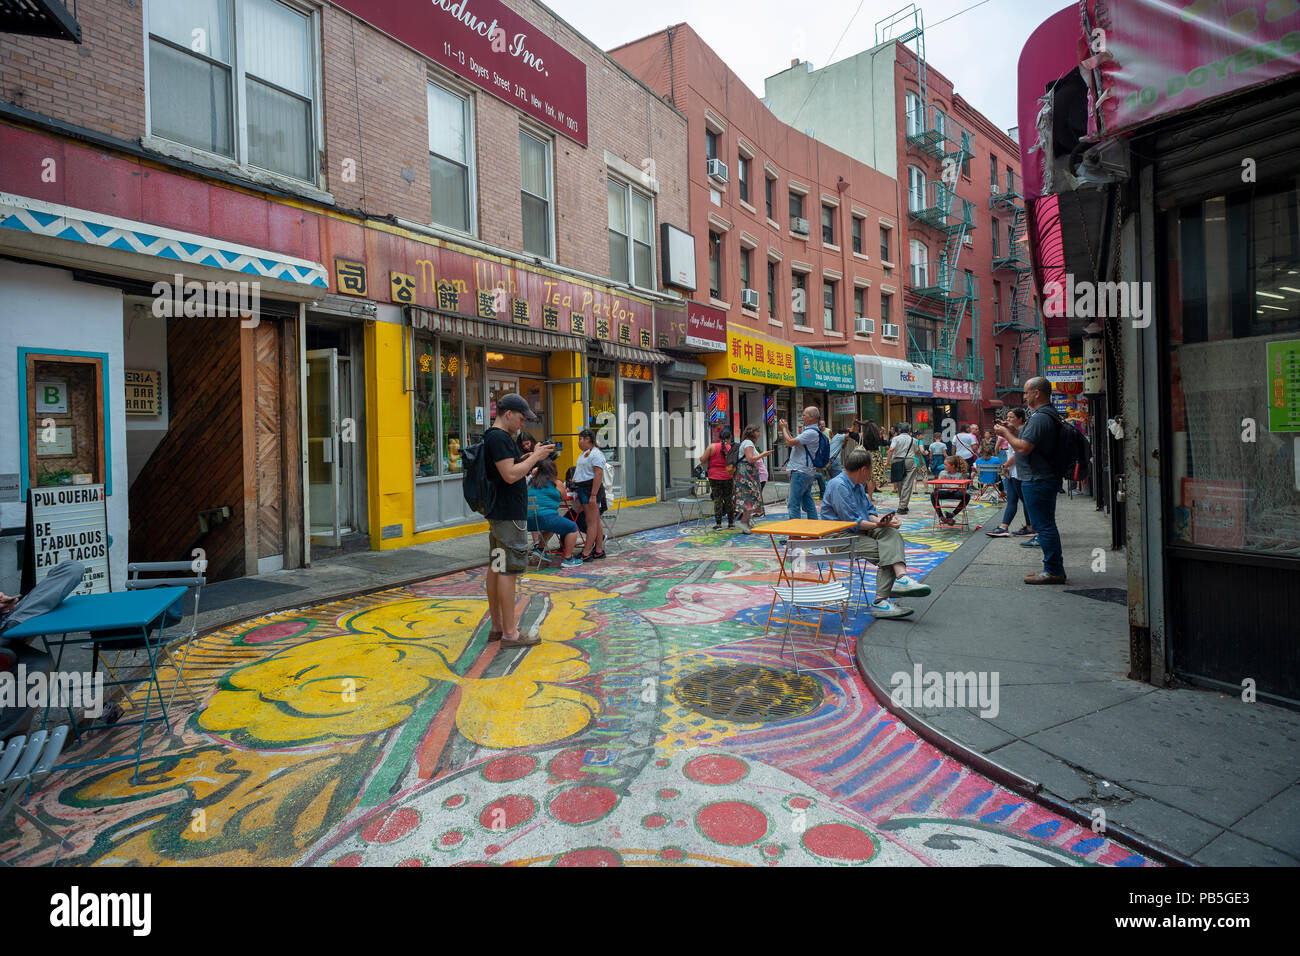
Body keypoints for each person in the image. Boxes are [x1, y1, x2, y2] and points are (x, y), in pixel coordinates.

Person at [819, 448, 931, 618]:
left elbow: (869, 512)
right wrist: (877, 523)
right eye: (870, 469)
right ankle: (881, 600)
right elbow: (852, 522)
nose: (871, 474)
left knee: (891, 534)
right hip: (839, 536)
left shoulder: (857, 485)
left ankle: (900, 578)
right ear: (864, 469)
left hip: (858, 532)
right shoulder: (838, 485)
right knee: (887, 551)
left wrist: (884, 522)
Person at [483, 394, 554, 646]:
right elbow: (510, 475)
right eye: (521, 419)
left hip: (499, 515)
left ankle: (498, 626)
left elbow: (509, 468)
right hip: (509, 516)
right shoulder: (500, 438)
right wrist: (535, 458)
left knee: (497, 566)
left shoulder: (493, 437)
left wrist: (530, 456)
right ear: (509, 414)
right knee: (508, 571)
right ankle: (510, 633)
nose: (522, 425)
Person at [996, 376, 1067, 584]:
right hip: (1040, 477)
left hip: (1038, 479)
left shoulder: (1040, 417)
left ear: (1037, 393)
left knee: (1043, 526)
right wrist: (1012, 431)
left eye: (1027, 392)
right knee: (1045, 524)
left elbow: (1023, 447)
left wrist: (1004, 434)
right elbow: (1029, 440)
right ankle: (1052, 568)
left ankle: (1053, 570)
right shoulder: (1043, 416)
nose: (1024, 397)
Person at [986, 406, 1036, 538]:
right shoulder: (1015, 431)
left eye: (1011, 417)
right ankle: (1004, 527)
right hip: (1012, 470)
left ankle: (1031, 527)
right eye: (1007, 417)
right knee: (1012, 499)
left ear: (1020, 419)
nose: (1008, 420)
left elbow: (1019, 451)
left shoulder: (1024, 431)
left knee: (1024, 500)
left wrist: (1005, 465)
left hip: (1019, 471)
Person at [527, 458, 583, 568]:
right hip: (546, 517)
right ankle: (568, 558)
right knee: (572, 527)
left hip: (530, 520)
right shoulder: (556, 483)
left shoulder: (531, 482)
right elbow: (563, 497)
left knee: (552, 526)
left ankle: (539, 549)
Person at [778, 406, 824, 520]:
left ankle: (795, 534)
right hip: (805, 471)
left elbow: (789, 442)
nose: (802, 417)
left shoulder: (811, 433)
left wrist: (783, 428)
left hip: (801, 471)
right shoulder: (811, 431)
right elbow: (793, 441)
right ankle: (814, 530)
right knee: (807, 502)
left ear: (811, 417)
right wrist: (786, 429)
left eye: (804, 415)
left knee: (793, 504)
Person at [572, 427, 608, 560]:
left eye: (580, 439)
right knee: (596, 521)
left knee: (591, 522)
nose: (579, 442)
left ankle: (586, 553)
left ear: (588, 439)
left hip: (590, 490)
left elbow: (598, 474)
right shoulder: (585, 453)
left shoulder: (596, 454)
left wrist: (593, 495)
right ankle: (598, 550)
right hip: (583, 489)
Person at [734, 424, 773, 532]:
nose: (759, 434)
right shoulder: (748, 443)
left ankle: (745, 523)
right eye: (758, 431)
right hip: (746, 473)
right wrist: (763, 454)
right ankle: (743, 523)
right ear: (752, 432)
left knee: (749, 498)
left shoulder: (747, 443)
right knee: (749, 498)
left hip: (746, 473)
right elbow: (750, 459)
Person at [700, 426, 738, 530]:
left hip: (714, 476)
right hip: (728, 476)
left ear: (719, 437)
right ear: (729, 438)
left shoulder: (712, 447)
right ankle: (731, 523)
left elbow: (702, 459)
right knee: (729, 499)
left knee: (718, 499)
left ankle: (718, 524)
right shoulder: (731, 448)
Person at [888, 423, 926, 514]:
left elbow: (891, 450)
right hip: (909, 461)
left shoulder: (895, 439)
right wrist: (920, 461)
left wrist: (888, 461)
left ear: (899, 430)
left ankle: (903, 504)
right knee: (907, 484)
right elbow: (917, 452)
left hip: (897, 461)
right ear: (909, 431)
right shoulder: (913, 440)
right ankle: (902, 506)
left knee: (900, 483)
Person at [930, 455, 971, 526]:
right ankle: (941, 517)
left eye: (946, 465)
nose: (944, 466)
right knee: (933, 494)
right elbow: (937, 487)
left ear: (953, 466)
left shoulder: (960, 475)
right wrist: (941, 480)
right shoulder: (942, 473)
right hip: (944, 491)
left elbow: (964, 488)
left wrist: (955, 488)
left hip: (956, 492)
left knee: (967, 496)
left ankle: (952, 514)